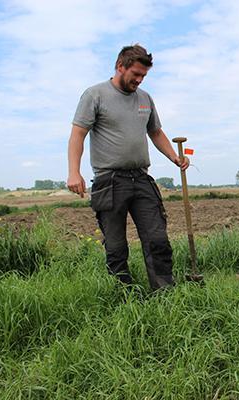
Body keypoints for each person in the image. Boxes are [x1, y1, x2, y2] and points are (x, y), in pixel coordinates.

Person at [67, 44, 189, 291]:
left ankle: (164, 293)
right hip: (109, 181)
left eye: (143, 76)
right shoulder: (95, 95)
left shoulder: (145, 98)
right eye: (136, 74)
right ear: (120, 66)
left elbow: (155, 132)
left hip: (141, 179)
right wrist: (73, 171)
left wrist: (174, 157)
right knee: (116, 246)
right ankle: (123, 295)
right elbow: (78, 134)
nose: (139, 80)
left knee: (157, 239)